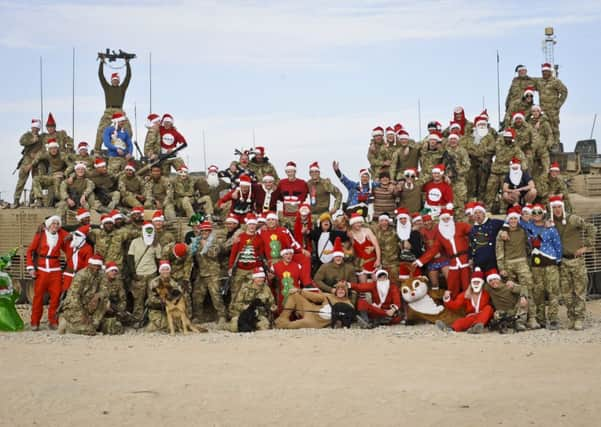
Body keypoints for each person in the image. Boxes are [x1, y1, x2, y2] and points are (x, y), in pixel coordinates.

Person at [551, 195, 597, 330]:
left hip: (576, 261)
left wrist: (586, 246)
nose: (557, 210)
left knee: (579, 291)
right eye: (554, 207)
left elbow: (591, 228)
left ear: (563, 207)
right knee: (566, 293)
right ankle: (571, 316)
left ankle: (579, 318)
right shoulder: (551, 222)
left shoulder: (573, 219)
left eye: (559, 206)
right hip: (563, 261)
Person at [519, 203, 562, 329]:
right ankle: (541, 318)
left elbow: (557, 245)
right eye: (534, 213)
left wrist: (558, 260)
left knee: (553, 291)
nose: (537, 215)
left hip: (550, 263)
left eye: (539, 212)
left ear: (543, 213)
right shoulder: (528, 227)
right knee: (538, 292)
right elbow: (514, 219)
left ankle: (553, 319)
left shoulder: (551, 228)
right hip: (536, 265)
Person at [415, 208, 471, 298]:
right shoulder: (441, 234)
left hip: (464, 259)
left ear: (451, 218)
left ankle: (468, 303)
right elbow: (434, 249)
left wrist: (472, 254)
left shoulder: (461, 226)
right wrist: (420, 261)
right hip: (453, 261)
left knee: (466, 282)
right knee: (452, 284)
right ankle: (454, 302)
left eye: (447, 218)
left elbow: (474, 233)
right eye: (443, 219)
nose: (445, 220)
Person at [26, 215, 69, 330]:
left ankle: (53, 321)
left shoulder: (61, 235)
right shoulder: (40, 235)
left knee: (55, 298)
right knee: (38, 298)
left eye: (57, 224)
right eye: (53, 223)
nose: (55, 226)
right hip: (41, 270)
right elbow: (30, 251)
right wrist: (30, 268)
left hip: (55, 271)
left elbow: (70, 245)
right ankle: (35, 322)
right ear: (49, 224)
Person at [57, 254, 108, 335]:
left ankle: (94, 324)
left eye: (98, 266)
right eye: (95, 266)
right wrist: (83, 315)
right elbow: (73, 297)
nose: (97, 268)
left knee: (106, 301)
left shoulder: (101, 274)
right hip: (75, 306)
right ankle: (67, 325)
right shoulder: (81, 275)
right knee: (88, 330)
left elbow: (105, 290)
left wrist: (98, 295)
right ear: (90, 264)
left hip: (89, 304)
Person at [190, 221, 228, 326]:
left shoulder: (215, 241)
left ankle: (222, 316)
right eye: (203, 231)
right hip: (201, 272)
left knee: (216, 296)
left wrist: (205, 246)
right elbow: (192, 254)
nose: (204, 233)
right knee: (197, 295)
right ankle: (198, 316)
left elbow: (213, 254)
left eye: (207, 231)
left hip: (213, 273)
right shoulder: (197, 242)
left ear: (210, 231)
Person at [484, 128, 527, 213]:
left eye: (509, 137)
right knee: (490, 190)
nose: (507, 139)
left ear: (512, 138)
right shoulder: (497, 144)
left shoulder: (515, 148)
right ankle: (487, 209)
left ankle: (503, 210)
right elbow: (488, 151)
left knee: (505, 191)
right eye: (506, 137)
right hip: (495, 171)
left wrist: (523, 168)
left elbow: (522, 158)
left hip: (506, 172)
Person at [275, 282, 353, 329]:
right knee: (295, 295)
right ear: (336, 290)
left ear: (346, 292)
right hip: (311, 309)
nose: (340, 291)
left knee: (297, 324)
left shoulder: (349, 304)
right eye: (339, 289)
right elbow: (314, 297)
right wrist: (299, 290)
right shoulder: (328, 296)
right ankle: (282, 318)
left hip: (316, 322)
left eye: (343, 290)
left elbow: (346, 319)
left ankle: (280, 325)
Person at [438, 268, 493, 333]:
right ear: (471, 283)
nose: (476, 284)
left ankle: (476, 327)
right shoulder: (465, 295)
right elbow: (455, 305)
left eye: (478, 282)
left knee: (488, 308)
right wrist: (447, 298)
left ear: (482, 283)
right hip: (471, 317)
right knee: (461, 321)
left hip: (483, 318)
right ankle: (450, 329)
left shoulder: (487, 293)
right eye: (474, 282)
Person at [127, 221, 162, 322]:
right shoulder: (135, 242)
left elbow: (159, 260)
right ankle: (138, 319)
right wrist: (133, 273)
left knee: (153, 298)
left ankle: (153, 319)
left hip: (152, 274)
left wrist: (159, 275)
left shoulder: (156, 244)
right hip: (139, 274)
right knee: (138, 299)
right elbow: (130, 258)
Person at [95, 57, 132, 152]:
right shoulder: (107, 87)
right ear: (111, 81)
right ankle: (97, 151)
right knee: (101, 130)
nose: (115, 81)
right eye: (114, 80)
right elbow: (101, 76)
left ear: (118, 81)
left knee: (128, 130)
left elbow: (128, 77)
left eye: (117, 80)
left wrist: (127, 63)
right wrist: (102, 62)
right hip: (108, 111)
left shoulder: (122, 88)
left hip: (119, 111)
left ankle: (125, 148)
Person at [228, 213, 266, 301]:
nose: (252, 226)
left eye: (254, 224)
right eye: (250, 224)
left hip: (253, 270)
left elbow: (261, 255)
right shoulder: (240, 237)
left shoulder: (259, 239)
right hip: (240, 269)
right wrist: (230, 267)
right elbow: (233, 254)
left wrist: (260, 269)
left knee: (253, 292)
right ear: (247, 225)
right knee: (236, 292)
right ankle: (234, 312)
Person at [228, 267, 277, 332]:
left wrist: (273, 307)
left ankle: (252, 326)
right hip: (244, 315)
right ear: (254, 278)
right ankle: (225, 325)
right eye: (259, 277)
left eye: (262, 277)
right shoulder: (245, 288)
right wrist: (244, 307)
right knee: (234, 327)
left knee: (265, 326)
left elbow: (271, 302)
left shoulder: (266, 288)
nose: (261, 279)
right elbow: (236, 304)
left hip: (259, 315)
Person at [484, 268, 528, 333]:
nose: (493, 282)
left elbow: (523, 288)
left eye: (495, 279)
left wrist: (523, 296)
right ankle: (507, 324)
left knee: (524, 301)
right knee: (497, 315)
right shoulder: (489, 288)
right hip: (503, 312)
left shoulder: (508, 286)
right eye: (490, 280)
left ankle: (519, 323)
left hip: (514, 310)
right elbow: (477, 282)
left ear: (499, 279)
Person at [30, 139, 72, 207]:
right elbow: (39, 157)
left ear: (57, 148)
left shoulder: (62, 155)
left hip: (60, 176)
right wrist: (32, 164)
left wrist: (64, 173)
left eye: (55, 148)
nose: (53, 150)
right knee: (36, 179)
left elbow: (71, 165)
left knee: (56, 185)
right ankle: (39, 200)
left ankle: (61, 200)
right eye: (51, 148)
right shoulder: (47, 154)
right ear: (48, 149)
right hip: (51, 176)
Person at [13, 118, 44, 207]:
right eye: (34, 128)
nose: (35, 129)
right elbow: (22, 142)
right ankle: (16, 199)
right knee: (21, 181)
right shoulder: (27, 135)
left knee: (36, 181)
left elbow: (43, 148)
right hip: (26, 160)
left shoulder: (41, 138)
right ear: (32, 128)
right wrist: (32, 140)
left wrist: (37, 155)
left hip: (37, 161)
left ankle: (33, 200)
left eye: (37, 128)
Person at [463, 115, 495, 200]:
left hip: (484, 164)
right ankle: (471, 200)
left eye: (483, 125)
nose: (481, 126)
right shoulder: (470, 137)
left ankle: (481, 200)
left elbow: (492, 148)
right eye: (479, 124)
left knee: (483, 183)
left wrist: (479, 153)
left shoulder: (489, 137)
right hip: (472, 163)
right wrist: (475, 154)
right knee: (471, 183)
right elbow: (466, 148)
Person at [536, 63, 568, 146]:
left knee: (554, 127)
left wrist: (558, 105)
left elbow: (564, 91)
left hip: (553, 110)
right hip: (542, 110)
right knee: (544, 127)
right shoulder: (539, 82)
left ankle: (555, 144)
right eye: (543, 72)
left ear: (550, 72)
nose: (544, 73)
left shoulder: (555, 81)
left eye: (546, 71)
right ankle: (546, 145)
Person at [469, 202, 505, 271]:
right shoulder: (472, 229)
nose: (478, 215)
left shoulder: (493, 223)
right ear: (473, 216)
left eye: (480, 212)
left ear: (484, 214)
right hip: (478, 262)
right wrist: (470, 258)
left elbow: (507, 222)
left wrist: (504, 231)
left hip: (492, 260)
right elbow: (471, 245)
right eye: (475, 213)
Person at [443, 132, 471, 218]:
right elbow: (442, 165)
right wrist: (445, 175)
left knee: (460, 201)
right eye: (451, 139)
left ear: (457, 140)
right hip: (448, 180)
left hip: (459, 180)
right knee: (449, 200)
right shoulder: (446, 151)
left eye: (454, 139)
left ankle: (460, 220)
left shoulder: (462, 151)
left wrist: (456, 172)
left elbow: (467, 166)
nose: (453, 141)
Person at [348, 213, 381, 282]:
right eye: (357, 223)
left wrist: (378, 259)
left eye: (360, 222)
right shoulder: (350, 234)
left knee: (378, 283)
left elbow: (376, 245)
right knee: (363, 286)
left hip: (372, 262)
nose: (359, 224)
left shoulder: (367, 231)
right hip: (360, 265)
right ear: (352, 224)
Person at [62, 225, 94, 292]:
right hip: (68, 275)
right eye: (75, 235)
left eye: (78, 235)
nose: (75, 237)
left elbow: (87, 265)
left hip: (79, 276)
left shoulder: (88, 248)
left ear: (83, 238)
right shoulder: (70, 244)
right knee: (65, 294)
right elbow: (60, 232)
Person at [270, 248, 303, 312]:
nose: (289, 256)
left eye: (290, 254)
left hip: (295, 295)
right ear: (282, 255)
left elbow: (303, 281)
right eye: (286, 254)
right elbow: (270, 283)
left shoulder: (298, 266)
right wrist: (270, 278)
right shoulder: (274, 267)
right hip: (281, 296)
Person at [278, 161, 309, 229]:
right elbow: (279, 195)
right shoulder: (282, 183)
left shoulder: (302, 183)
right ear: (286, 172)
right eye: (288, 171)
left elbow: (307, 194)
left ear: (295, 172)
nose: (290, 173)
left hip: (298, 214)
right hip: (286, 215)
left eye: (292, 171)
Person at [100, 262, 129, 334]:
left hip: (114, 306)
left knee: (124, 317)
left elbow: (123, 298)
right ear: (107, 271)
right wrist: (107, 304)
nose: (114, 272)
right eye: (112, 271)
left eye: (115, 271)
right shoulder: (101, 280)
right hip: (101, 305)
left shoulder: (118, 282)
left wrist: (121, 309)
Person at [371, 214, 400, 281]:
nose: (384, 222)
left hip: (394, 262)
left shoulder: (394, 231)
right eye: (382, 221)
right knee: (383, 281)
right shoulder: (376, 232)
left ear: (388, 222)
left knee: (395, 280)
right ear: (379, 222)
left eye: (386, 220)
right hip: (382, 262)